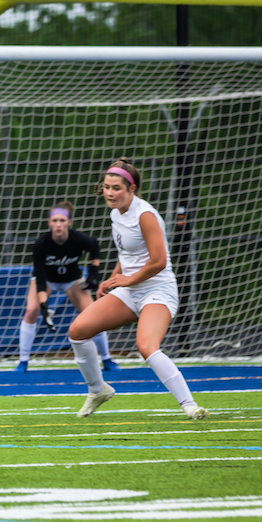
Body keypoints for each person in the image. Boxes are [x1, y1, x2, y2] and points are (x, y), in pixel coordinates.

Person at [67, 157, 208, 420]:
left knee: (146, 345)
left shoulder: (145, 214)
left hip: (158, 289)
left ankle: (189, 405)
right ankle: (98, 390)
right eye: (107, 186)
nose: (109, 192)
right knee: (77, 331)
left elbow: (158, 261)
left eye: (116, 188)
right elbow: (128, 254)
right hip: (129, 290)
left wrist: (127, 280)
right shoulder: (115, 213)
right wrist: (112, 279)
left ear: (131, 189)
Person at [14, 200, 119, 373]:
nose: (58, 225)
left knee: (95, 314)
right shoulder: (41, 244)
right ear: (49, 223)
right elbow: (40, 277)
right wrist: (43, 305)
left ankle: (107, 359)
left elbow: (95, 246)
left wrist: (93, 271)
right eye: (54, 221)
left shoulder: (78, 239)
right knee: (32, 310)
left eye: (62, 220)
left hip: (72, 281)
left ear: (69, 222)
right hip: (46, 281)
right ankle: (23, 361)